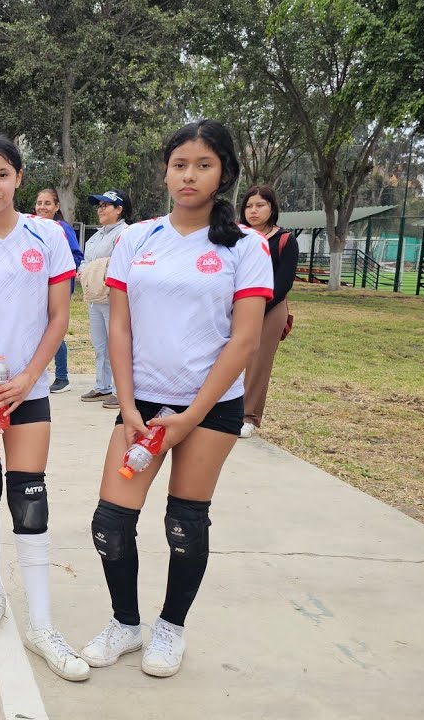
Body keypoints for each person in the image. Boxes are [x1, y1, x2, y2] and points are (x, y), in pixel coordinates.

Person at [81, 119, 271, 678]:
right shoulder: (135, 238)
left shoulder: (245, 245)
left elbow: (245, 339)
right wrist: (130, 402)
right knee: (110, 523)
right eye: (180, 164)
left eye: (204, 164)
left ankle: (170, 628)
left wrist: (190, 415)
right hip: (142, 404)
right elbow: (120, 327)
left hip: (210, 409)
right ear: (165, 170)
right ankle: (125, 623)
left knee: (185, 524)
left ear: (224, 174)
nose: (189, 175)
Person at [0, 134, 88, 681]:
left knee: (30, 497)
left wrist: (31, 378)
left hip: (26, 390)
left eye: (2, 174)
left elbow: (58, 318)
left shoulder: (48, 235)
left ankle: (43, 623)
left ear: (19, 178)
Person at [239, 184, 298, 438]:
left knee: (258, 362)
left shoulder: (285, 239)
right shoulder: (235, 235)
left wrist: (257, 307)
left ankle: (248, 416)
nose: (253, 211)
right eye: (249, 206)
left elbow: (284, 281)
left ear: (271, 208)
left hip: (271, 308)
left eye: (260, 205)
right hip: (236, 305)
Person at [78, 189, 132, 409]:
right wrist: (84, 272)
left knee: (118, 345)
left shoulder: (126, 233)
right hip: (95, 297)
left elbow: (122, 264)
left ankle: (122, 392)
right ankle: (103, 385)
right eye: (98, 206)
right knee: (100, 345)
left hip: (115, 298)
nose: (100, 209)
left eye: (105, 205)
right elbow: (84, 262)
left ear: (119, 209)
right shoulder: (96, 236)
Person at [33, 188, 84, 393]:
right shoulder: (32, 227)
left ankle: (62, 377)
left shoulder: (62, 228)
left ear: (56, 207)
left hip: (56, 288)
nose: (42, 207)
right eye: (39, 203)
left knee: (53, 328)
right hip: (36, 287)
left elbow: (76, 256)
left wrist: (56, 272)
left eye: (47, 203)